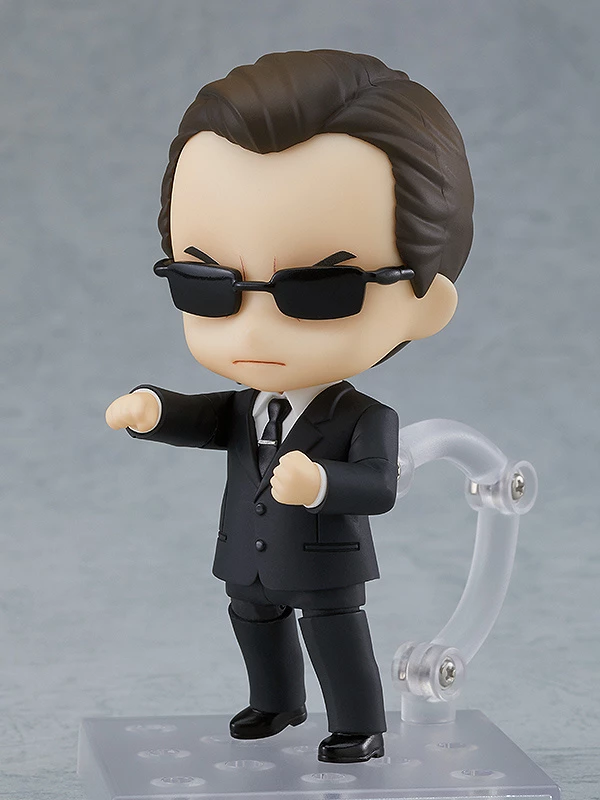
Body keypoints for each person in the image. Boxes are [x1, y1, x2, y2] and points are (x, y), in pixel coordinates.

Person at [105, 49, 474, 763]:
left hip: (325, 561)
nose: (254, 331)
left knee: (335, 635)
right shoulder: (247, 404)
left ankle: (358, 724)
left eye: (318, 292)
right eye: (207, 284)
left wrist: (323, 483)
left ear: (425, 303)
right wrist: (154, 410)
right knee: (254, 622)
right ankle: (276, 702)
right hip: (249, 554)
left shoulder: (366, 417)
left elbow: (381, 486)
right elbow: (207, 419)